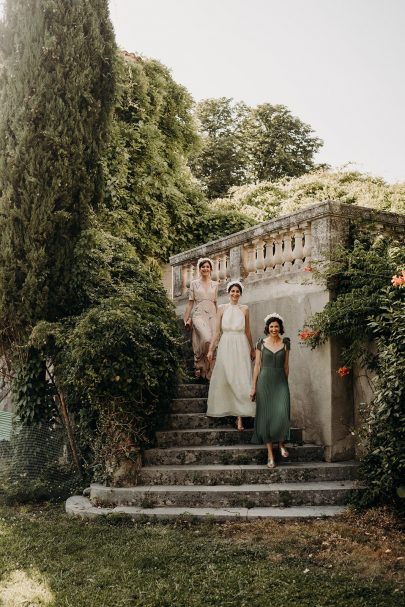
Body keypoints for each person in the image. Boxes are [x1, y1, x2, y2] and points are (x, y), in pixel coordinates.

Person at [206, 280, 256, 430]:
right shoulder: (221, 309)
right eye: (233, 291)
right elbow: (216, 332)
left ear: (240, 294)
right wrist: (210, 349)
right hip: (226, 343)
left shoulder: (245, 309)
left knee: (241, 377)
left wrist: (252, 349)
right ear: (229, 293)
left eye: (237, 292)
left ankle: (240, 417)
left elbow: (247, 331)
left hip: (240, 344)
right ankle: (231, 411)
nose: (235, 294)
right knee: (227, 377)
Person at [250, 313, 290, 468]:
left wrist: (285, 384)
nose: (274, 329)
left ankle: (280, 444)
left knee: (282, 413)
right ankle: (270, 455)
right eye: (271, 326)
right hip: (264, 381)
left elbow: (286, 366)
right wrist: (253, 387)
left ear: (280, 328)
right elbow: (257, 366)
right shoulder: (260, 343)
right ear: (268, 328)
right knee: (266, 417)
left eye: (276, 326)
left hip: (280, 381)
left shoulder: (286, 343)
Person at [183, 257, 218, 380]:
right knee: (206, 338)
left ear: (211, 269)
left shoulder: (216, 284)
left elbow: (215, 303)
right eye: (203, 266)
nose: (205, 268)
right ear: (200, 269)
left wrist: (219, 319)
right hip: (198, 314)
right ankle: (199, 363)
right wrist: (186, 319)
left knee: (213, 342)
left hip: (212, 315)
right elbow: (190, 303)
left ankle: (207, 371)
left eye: (207, 267)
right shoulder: (194, 284)